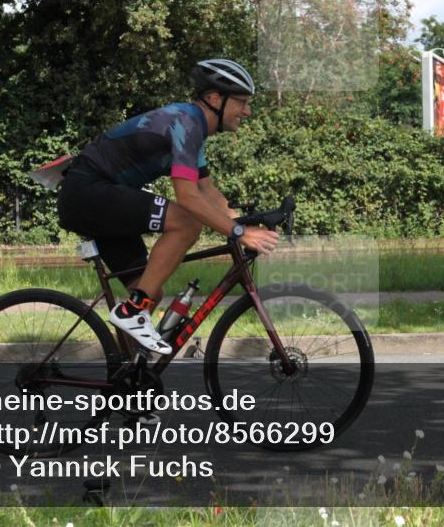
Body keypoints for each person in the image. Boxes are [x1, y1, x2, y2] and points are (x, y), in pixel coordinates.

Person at [57, 59, 279, 354]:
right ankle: (131, 313)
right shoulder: (187, 123)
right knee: (186, 222)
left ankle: (127, 378)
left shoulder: (194, 128)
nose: (247, 110)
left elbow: (206, 190)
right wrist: (239, 232)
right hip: (88, 191)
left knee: (150, 288)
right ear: (215, 99)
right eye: (242, 102)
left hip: (96, 195)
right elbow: (188, 198)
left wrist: (247, 222)